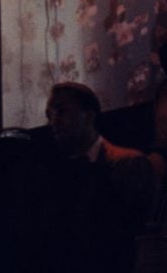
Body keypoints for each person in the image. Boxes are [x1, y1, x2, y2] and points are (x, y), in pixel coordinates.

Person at [43, 82, 158, 273]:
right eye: (50, 115)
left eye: (61, 111)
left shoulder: (129, 163)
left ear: (88, 116)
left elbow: (138, 237)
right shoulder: (55, 174)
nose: (53, 121)